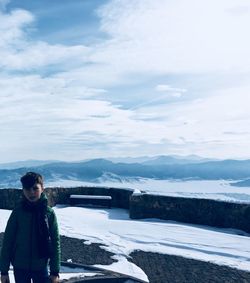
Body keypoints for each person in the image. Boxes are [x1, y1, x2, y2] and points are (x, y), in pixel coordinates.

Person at [0, 172, 60, 283]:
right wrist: (4, 271)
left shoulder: (49, 214)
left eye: (35, 188)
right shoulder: (18, 212)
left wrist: (55, 271)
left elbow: (55, 243)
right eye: (27, 189)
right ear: (23, 190)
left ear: (42, 188)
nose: (31, 192)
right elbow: (8, 241)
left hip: (41, 267)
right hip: (20, 268)